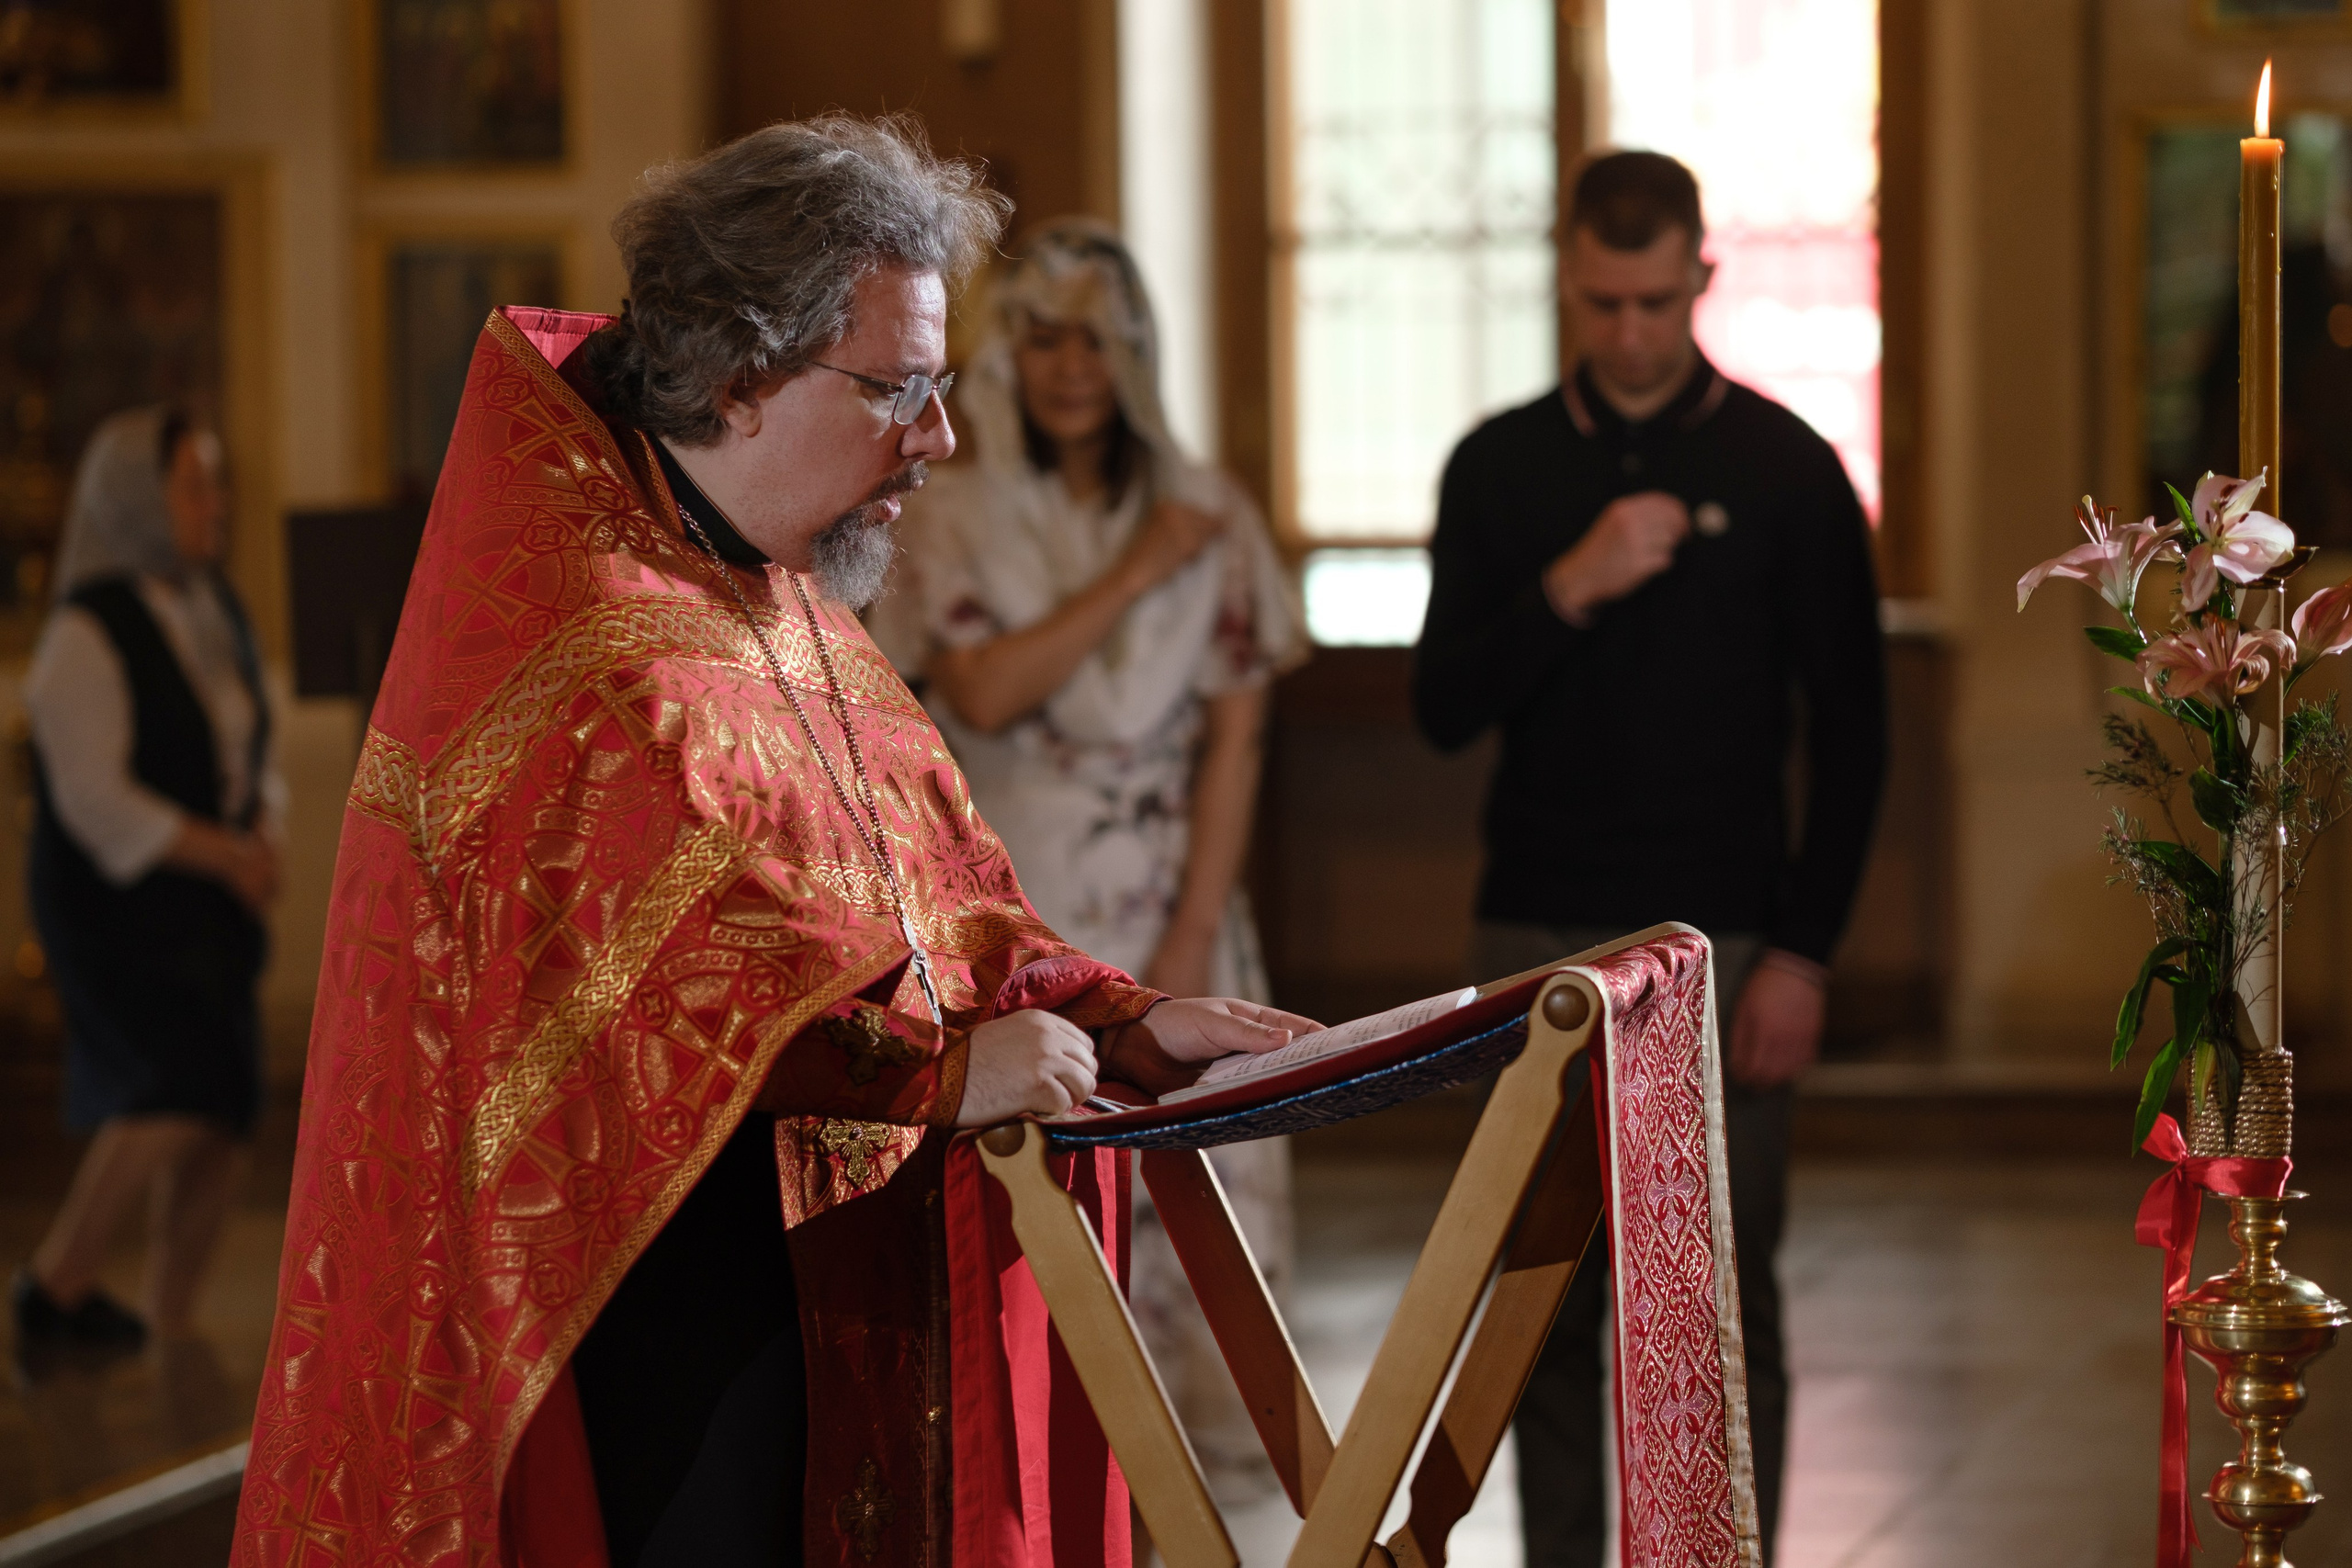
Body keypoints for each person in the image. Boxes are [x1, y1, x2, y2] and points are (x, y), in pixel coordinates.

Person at [231, 116, 1316, 1568]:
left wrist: (1115, 1013)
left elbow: (932, 892)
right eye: (899, 391)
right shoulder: (592, 633)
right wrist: (933, 1071)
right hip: (656, 1322)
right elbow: (624, 1012)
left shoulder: (768, 588)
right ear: (743, 373)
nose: (937, 439)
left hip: (823, 1272)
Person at [1412, 151, 1888, 1567]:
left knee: (1719, 1306)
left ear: (1701, 282)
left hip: (1728, 938)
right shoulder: (1500, 465)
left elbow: (1858, 738)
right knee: (1540, 1299)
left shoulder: (1788, 469)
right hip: (1534, 928)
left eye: (1653, 301)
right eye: (1601, 301)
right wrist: (1569, 584)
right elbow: (1443, 708)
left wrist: (1804, 951)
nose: (1627, 330)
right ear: (1569, 279)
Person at [871, 219, 1306, 1495]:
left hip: (1174, 891)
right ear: (1004, 349)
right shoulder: (950, 510)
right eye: (1044, 336)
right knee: (1037, 1196)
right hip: (1021, 893)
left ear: (1137, 353)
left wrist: (1187, 936)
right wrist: (1133, 574)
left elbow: (1237, 740)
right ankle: (1053, 1478)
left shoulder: (1206, 507)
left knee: (1201, 1194)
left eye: (1097, 340)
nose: (1071, 367)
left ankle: (1201, 1489)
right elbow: (992, 689)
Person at [10, 406, 282, 1355]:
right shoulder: (87, 631)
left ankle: (171, 1318)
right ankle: (56, 1284)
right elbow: (94, 796)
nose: (218, 504)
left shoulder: (213, 608)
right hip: (115, 906)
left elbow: (249, 747)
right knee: (169, 1091)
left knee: (223, 1111)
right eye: (196, 485)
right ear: (138, 499)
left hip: (206, 897)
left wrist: (264, 833)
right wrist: (225, 853)